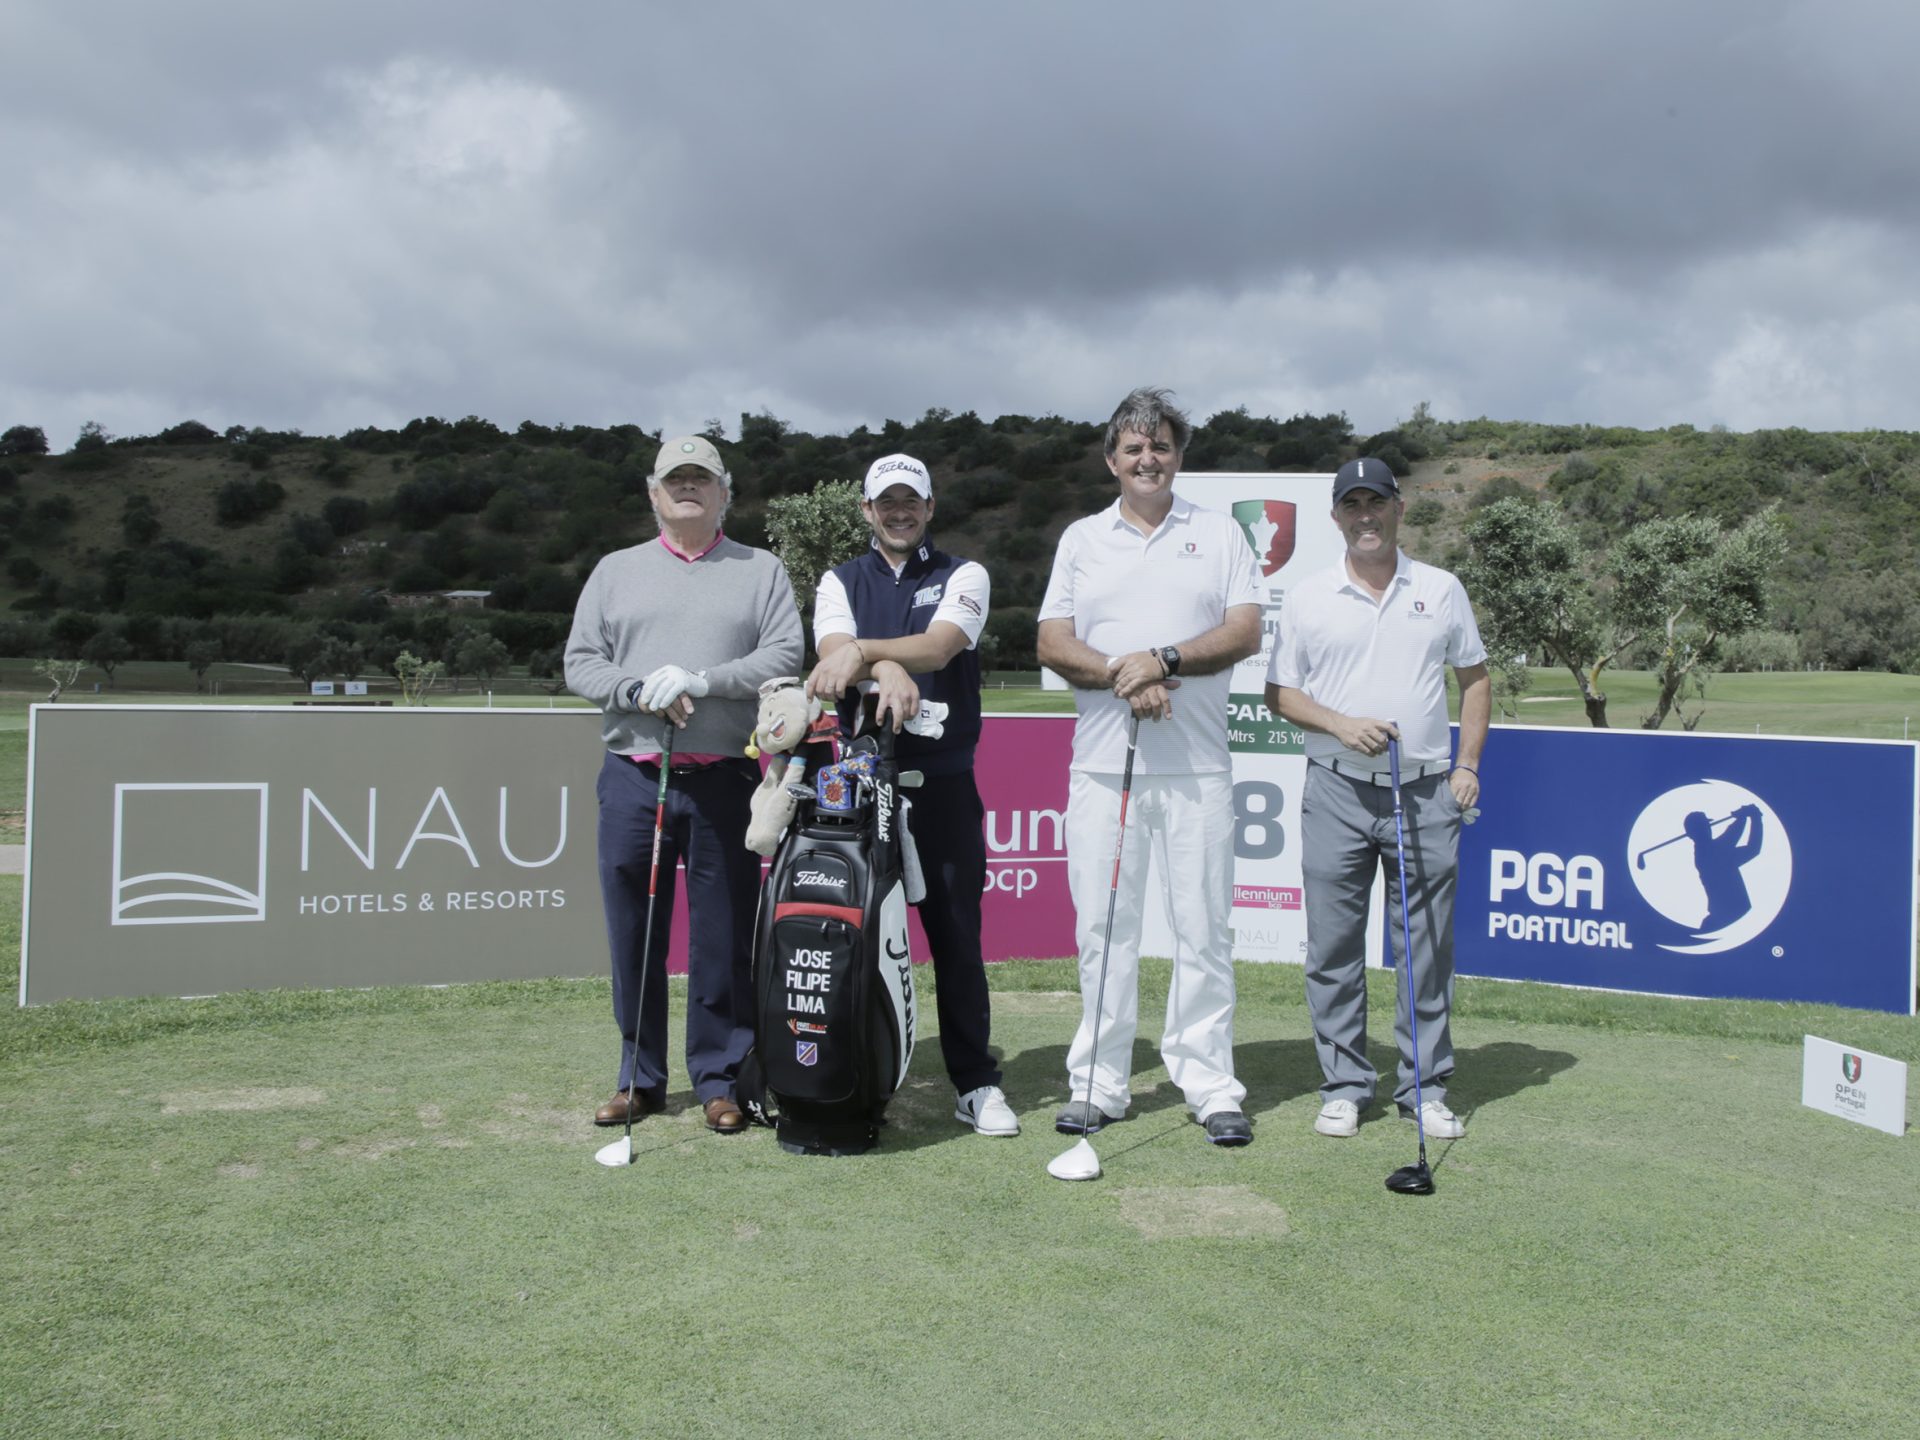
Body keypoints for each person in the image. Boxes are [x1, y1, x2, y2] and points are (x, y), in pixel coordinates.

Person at [1036, 387, 1263, 1147]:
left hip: (1199, 767)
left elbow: (1243, 632)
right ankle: (1098, 1083)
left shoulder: (1220, 534)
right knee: (1106, 930)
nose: (1148, 459)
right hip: (1104, 768)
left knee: (1204, 932)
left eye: (1160, 446)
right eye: (1133, 448)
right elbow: (1052, 641)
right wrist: (1123, 676)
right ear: (1112, 460)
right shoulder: (1082, 539)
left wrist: (1162, 659)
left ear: (1178, 455)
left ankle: (1207, 1081)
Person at [565, 435, 803, 1135]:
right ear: (653, 494)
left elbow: (785, 652)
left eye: (702, 479)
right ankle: (638, 1078)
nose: (688, 488)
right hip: (635, 777)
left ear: (725, 493)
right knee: (633, 932)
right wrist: (638, 690)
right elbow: (581, 663)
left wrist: (707, 681)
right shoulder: (615, 571)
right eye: (676, 480)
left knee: (722, 936)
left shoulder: (759, 570)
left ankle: (719, 1078)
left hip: (724, 777)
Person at [1264, 457, 1490, 1142]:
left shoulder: (1441, 589)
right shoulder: (1307, 596)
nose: (1365, 515)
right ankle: (1344, 1084)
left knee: (1425, 948)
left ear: (1399, 508)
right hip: (1336, 788)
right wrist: (1339, 723)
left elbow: (1475, 680)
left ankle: (1424, 1086)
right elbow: (1279, 694)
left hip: (1423, 791)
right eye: (1352, 504)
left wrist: (1467, 765)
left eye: (1377, 503)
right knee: (1333, 947)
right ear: (1336, 516)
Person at [804, 453, 1018, 1137]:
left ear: (929, 507)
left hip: (943, 784)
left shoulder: (964, 573)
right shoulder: (838, 581)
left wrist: (883, 655)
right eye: (885, 501)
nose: (899, 512)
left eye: (911, 501)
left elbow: (943, 646)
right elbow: (835, 658)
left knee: (956, 939)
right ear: (866, 511)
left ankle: (975, 1082)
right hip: (862, 787)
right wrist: (888, 658)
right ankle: (853, 1070)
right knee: (853, 938)